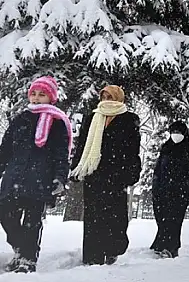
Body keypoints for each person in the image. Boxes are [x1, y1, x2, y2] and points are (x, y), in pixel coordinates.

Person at [0, 76, 72, 273]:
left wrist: (59, 177)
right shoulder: (20, 119)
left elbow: (61, 153)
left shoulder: (57, 122)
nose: (36, 98)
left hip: (40, 180)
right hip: (13, 177)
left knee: (33, 222)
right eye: (34, 93)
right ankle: (19, 247)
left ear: (51, 98)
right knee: (5, 215)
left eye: (42, 95)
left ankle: (28, 259)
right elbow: (5, 149)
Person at [69, 85, 141, 266]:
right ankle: (92, 257)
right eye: (104, 96)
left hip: (117, 175)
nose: (106, 99)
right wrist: (76, 168)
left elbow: (133, 149)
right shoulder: (92, 117)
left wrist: (132, 172)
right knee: (93, 217)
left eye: (111, 96)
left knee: (115, 216)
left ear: (119, 98)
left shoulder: (129, 119)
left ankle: (112, 249)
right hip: (94, 173)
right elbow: (83, 145)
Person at [149, 121, 189, 258]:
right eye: (173, 132)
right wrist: (155, 185)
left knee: (175, 218)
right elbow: (158, 169)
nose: (176, 135)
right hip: (163, 188)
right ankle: (160, 243)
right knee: (162, 217)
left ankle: (172, 248)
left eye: (179, 132)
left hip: (183, 190)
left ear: (185, 134)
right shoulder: (166, 147)